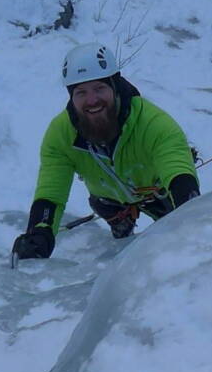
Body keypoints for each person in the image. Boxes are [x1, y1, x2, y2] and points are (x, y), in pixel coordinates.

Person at [12, 42, 202, 260]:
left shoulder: (154, 123)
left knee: (173, 232)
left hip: (159, 193)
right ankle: (123, 231)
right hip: (108, 200)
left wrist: (190, 213)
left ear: (115, 85)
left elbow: (178, 171)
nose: (91, 100)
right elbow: (51, 193)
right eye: (81, 92)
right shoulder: (60, 135)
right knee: (123, 244)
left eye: (99, 88)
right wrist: (39, 233)